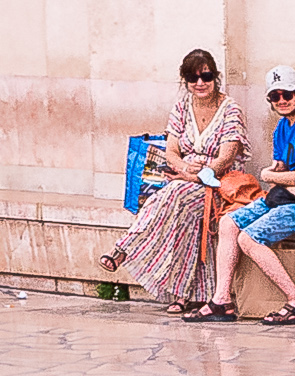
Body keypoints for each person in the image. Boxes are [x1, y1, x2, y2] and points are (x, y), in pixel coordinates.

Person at [99, 50, 250, 314]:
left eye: (206, 76)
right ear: (185, 80)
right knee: (181, 212)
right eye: (193, 78)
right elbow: (171, 151)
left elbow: (227, 156)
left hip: (219, 183)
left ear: (215, 77)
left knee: (172, 194)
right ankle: (186, 293)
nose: (200, 83)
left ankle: (124, 248)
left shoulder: (230, 109)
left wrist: (194, 175)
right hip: (185, 180)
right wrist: (182, 168)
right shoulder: (182, 107)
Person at [188, 65, 295, 325]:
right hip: (282, 196)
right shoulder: (281, 126)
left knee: (249, 238)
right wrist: (275, 175)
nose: (281, 101)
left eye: (286, 94)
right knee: (228, 222)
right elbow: (281, 167)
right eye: (274, 96)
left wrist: (270, 176)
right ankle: (221, 299)